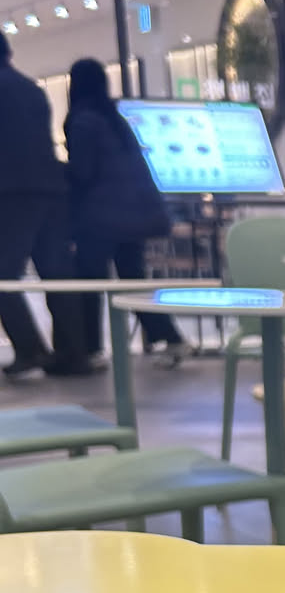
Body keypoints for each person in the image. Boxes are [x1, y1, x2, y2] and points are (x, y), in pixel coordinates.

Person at [65, 58, 188, 368]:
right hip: (133, 216)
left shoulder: (81, 121)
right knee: (133, 282)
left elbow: (82, 172)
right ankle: (171, 338)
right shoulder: (114, 118)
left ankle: (91, 350)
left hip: (100, 218)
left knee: (90, 284)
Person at [0, 31, 88, 378]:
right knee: (57, 271)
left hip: (12, 191)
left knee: (3, 273)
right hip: (50, 187)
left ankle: (30, 348)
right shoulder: (31, 88)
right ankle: (73, 353)